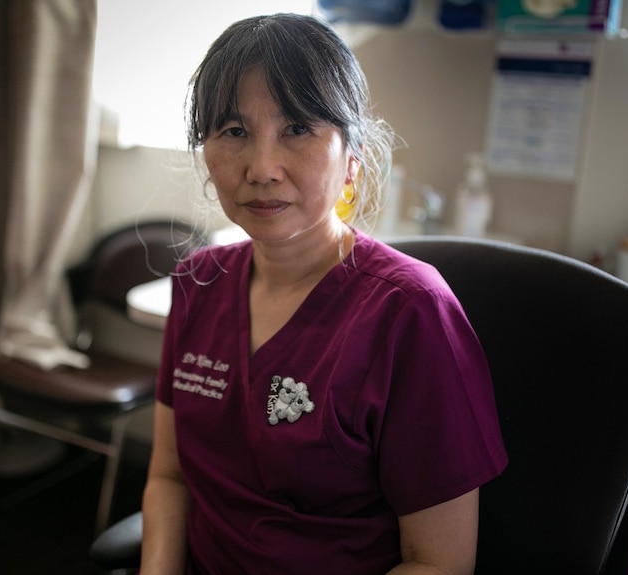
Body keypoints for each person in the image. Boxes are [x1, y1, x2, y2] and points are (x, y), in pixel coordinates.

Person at [140, 13, 508, 575]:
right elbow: (169, 476)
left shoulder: (410, 311)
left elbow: (438, 562)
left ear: (351, 160)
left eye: (297, 128)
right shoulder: (198, 282)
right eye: (234, 131)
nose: (261, 169)